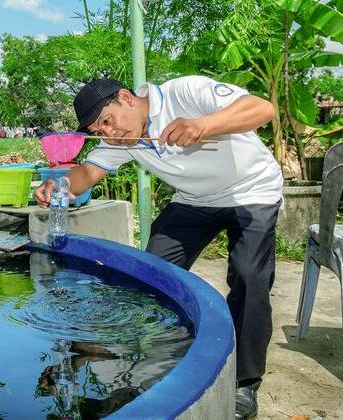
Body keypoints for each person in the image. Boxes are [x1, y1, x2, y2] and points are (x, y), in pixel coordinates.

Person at [34, 75, 282, 420]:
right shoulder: (122, 139)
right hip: (193, 201)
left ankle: (243, 382)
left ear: (126, 97)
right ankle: (143, 355)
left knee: (250, 276)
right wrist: (58, 184)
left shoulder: (184, 92)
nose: (109, 133)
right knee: (149, 277)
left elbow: (262, 108)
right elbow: (87, 174)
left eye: (107, 120)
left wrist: (202, 125)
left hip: (251, 192)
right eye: (99, 130)